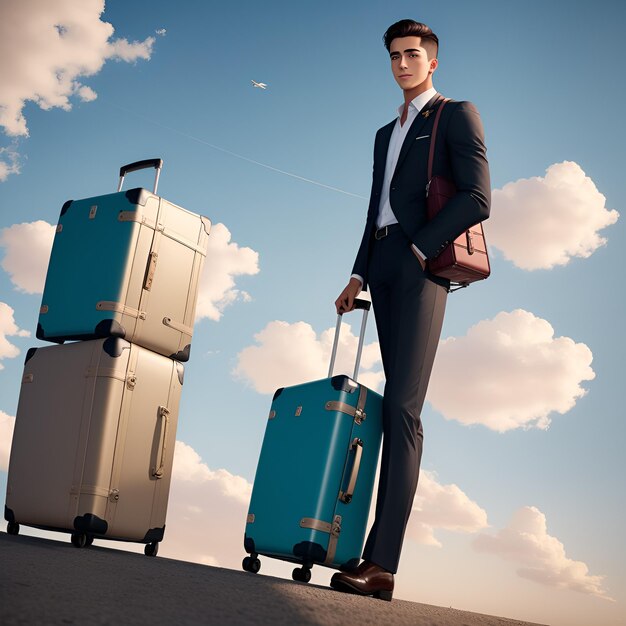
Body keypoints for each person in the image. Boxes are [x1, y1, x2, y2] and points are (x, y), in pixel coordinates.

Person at [330, 19, 491, 601]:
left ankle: (382, 564)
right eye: (394, 56)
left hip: (423, 265)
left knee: (402, 408)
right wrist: (356, 272)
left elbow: (478, 197)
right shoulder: (383, 133)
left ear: (433, 61)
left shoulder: (455, 113)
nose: (402, 64)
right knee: (385, 409)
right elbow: (374, 206)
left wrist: (422, 249)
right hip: (382, 261)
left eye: (412, 54)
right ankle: (365, 553)